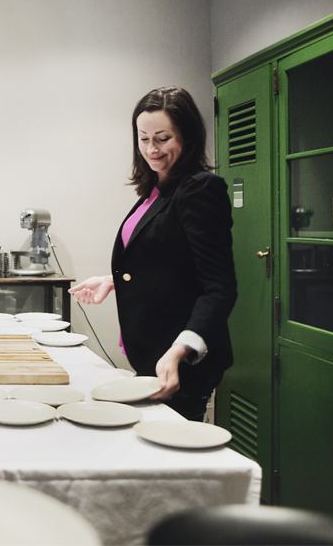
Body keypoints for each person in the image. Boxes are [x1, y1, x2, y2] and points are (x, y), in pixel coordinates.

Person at [70, 87, 237, 421]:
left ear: (188, 136)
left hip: (181, 360)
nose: (151, 149)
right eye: (143, 138)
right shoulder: (157, 190)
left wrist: (179, 351)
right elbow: (171, 262)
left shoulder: (200, 189)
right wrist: (113, 280)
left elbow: (219, 289)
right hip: (150, 354)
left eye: (162, 138)